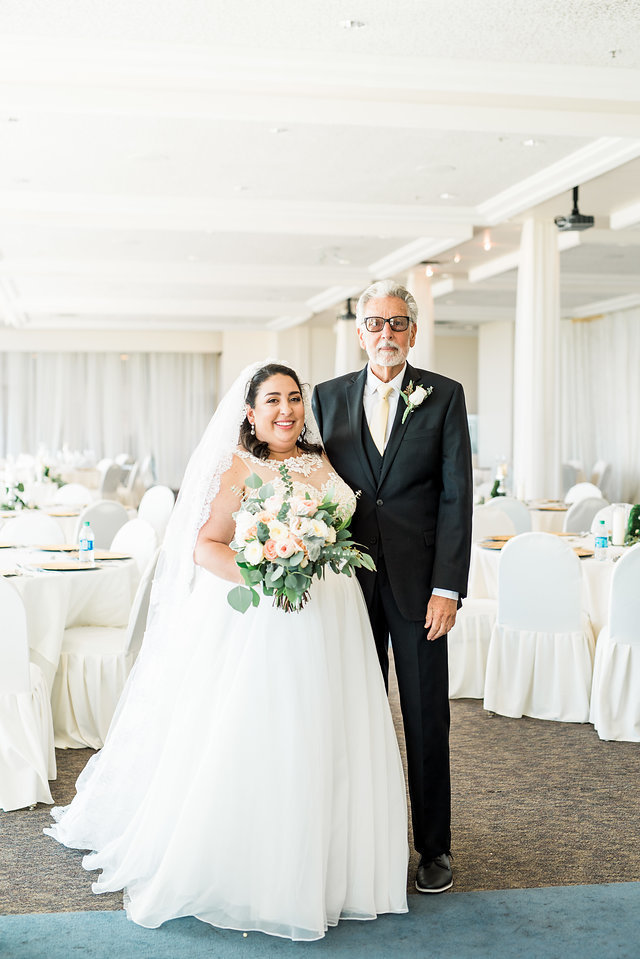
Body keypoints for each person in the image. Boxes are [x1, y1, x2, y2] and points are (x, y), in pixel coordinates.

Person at [45, 361, 408, 941]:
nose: (286, 410)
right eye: (272, 401)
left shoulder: (324, 460)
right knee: (269, 732)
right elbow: (204, 547)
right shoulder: (240, 466)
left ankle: (335, 867)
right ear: (251, 413)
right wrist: (263, 573)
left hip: (334, 613)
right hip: (266, 616)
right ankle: (262, 867)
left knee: (332, 730)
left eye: (293, 399)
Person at [313, 280, 473, 894]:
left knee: (427, 717)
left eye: (398, 323)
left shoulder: (444, 397)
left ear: (414, 330)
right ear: (359, 331)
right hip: (344, 585)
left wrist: (448, 589)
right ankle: (352, 844)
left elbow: (457, 497)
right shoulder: (324, 399)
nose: (387, 333)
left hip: (419, 589)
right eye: (375, 323)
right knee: (347, 715)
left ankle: (434, 847)